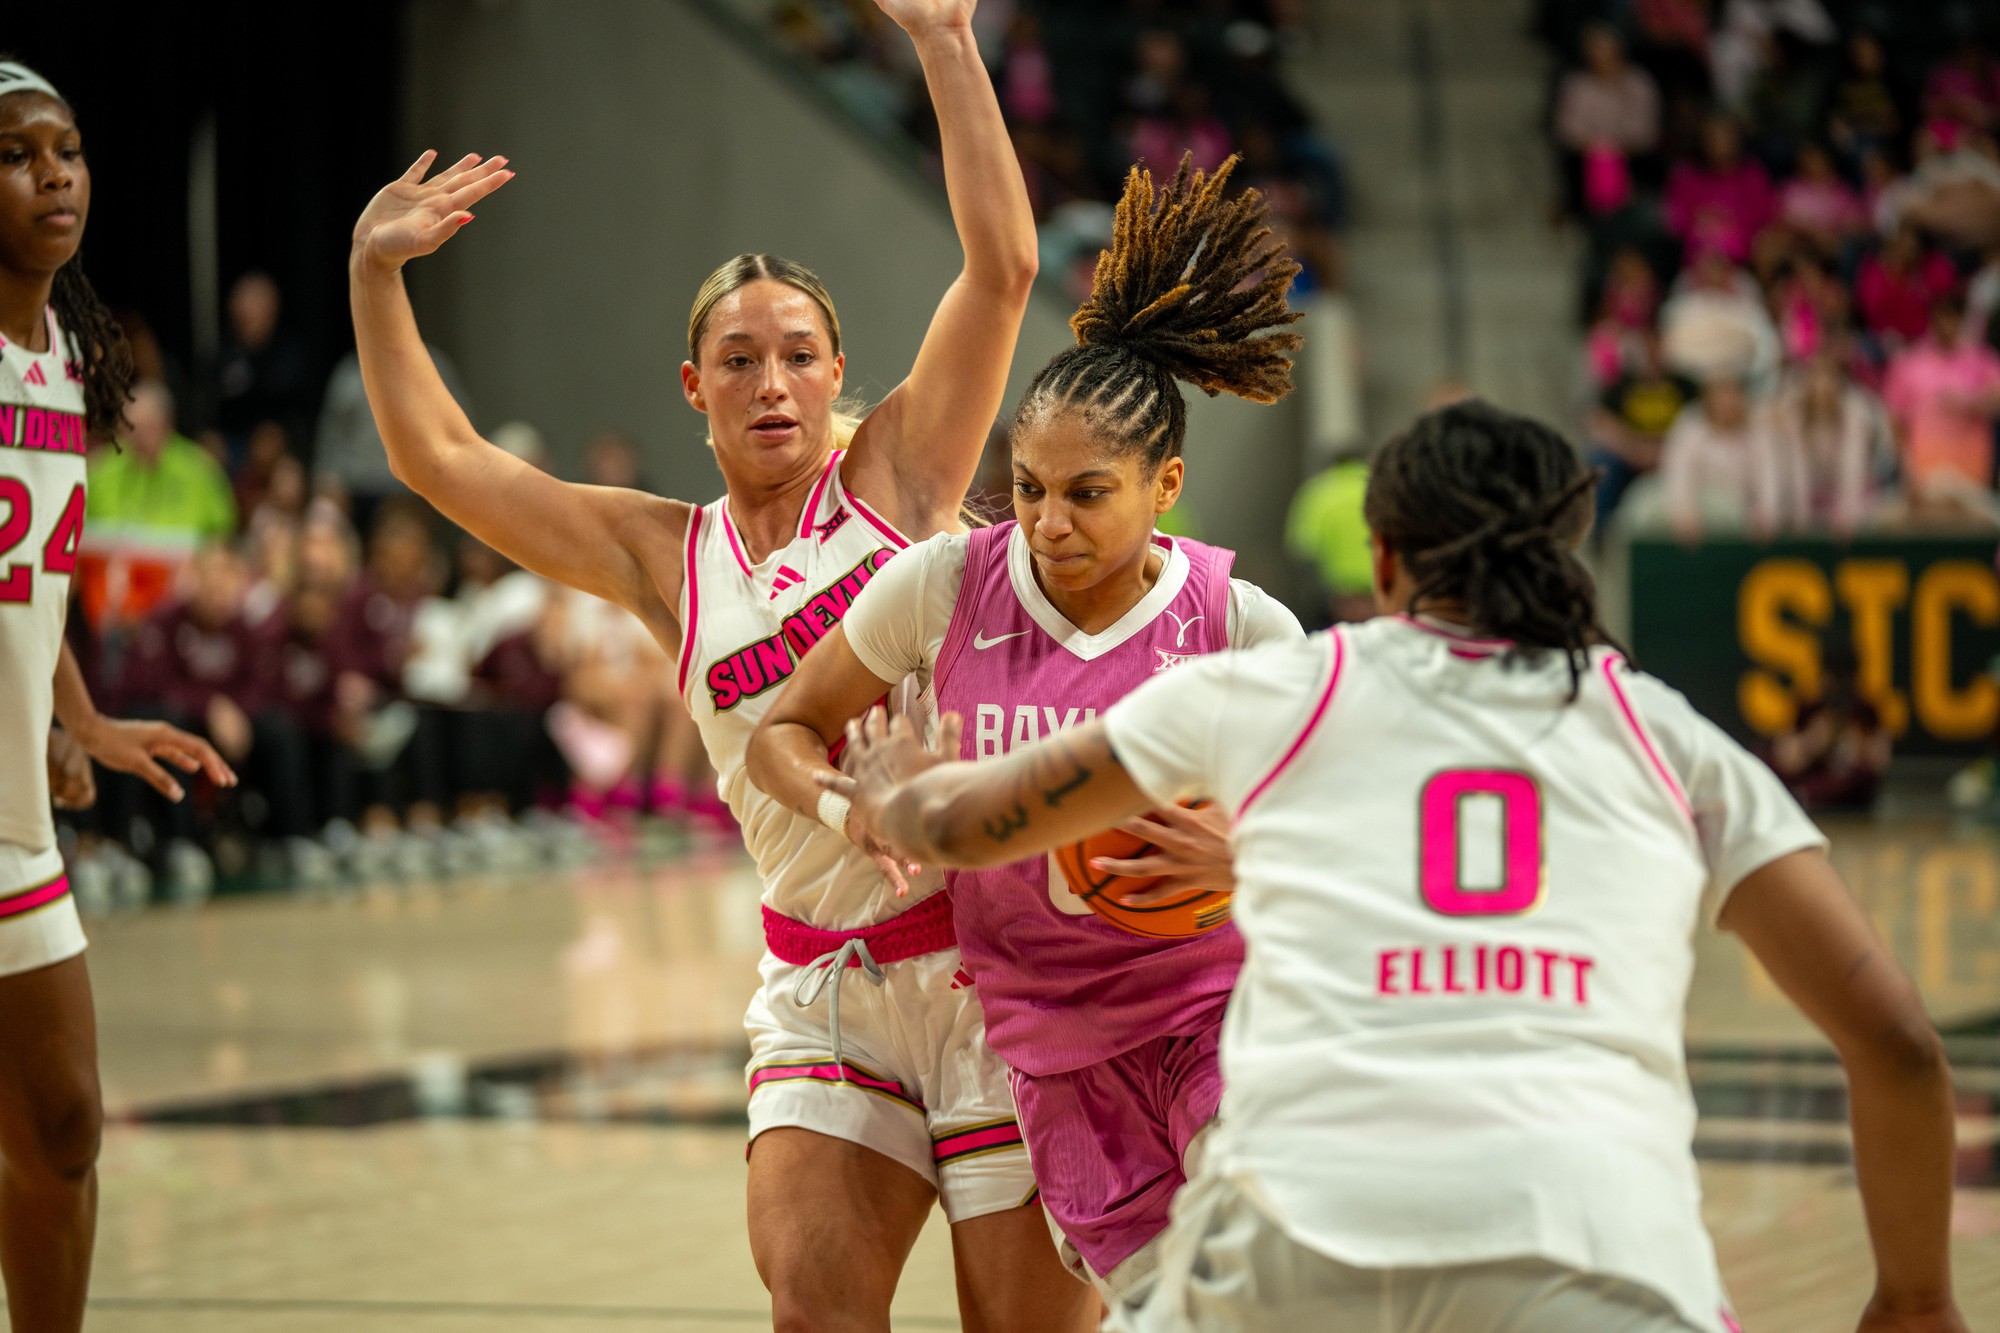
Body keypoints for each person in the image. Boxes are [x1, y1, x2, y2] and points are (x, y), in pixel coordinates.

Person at [825, 400, 1968, 1333]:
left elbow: (969, 824)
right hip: (1597, 1249)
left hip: (1293, 1241)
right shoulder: (1665, 737)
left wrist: (895, 796)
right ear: (1565, 550)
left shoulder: (1279, 689)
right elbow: (1898, 1046)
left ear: (1378, 557)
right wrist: (1913, 1297)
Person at [342, 2, 1090, 1327]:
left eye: (800, 356)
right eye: (738, 361)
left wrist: (943, 39)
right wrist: (374, 276)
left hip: (988, 967)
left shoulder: (902, 476)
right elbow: (442, 463)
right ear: (693, 387)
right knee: (814, 1309)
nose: (773, 385)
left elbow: (1004, 270)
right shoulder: (661, 557)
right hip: (822, 987)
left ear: (839, 370)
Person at [749, 156, 1306, 1304]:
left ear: (1165, 486)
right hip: (1044, 1043)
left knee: (1263, 1274)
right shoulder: (945, 583)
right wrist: (844, 801)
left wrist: (1249, 854)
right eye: (1028, 485)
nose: (1046, 522)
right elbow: (782, 730)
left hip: (1210, 1008)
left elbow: (1357, 828)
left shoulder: (1242, 626)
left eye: (1086, 493)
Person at [0, 61, 233, 1333]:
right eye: (18, 154)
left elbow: (23, 583)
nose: (54, 176)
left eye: (70, 149)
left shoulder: (63, 360)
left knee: (67, 1126)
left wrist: (71, 716)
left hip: (17, 830)